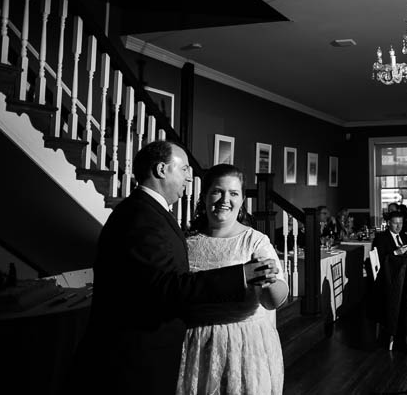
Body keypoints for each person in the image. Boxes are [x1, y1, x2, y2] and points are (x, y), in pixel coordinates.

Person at [74, 141, 276, 395]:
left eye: (234, 194)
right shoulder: (141, 218)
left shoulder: (151, 213)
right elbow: (165, 287)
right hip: (133, 357)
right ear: (161, 170)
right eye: (184, 170)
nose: (189, 178)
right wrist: (241, 275)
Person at [177, 164, 287, 395]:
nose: (225, 199)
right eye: (218, 191)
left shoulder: (255, 241)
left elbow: (273, 302)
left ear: (242, 200)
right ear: (205, 196)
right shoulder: (186, 243)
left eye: (234, 193)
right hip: (196, 344)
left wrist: (268, 283)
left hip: (244, 347)